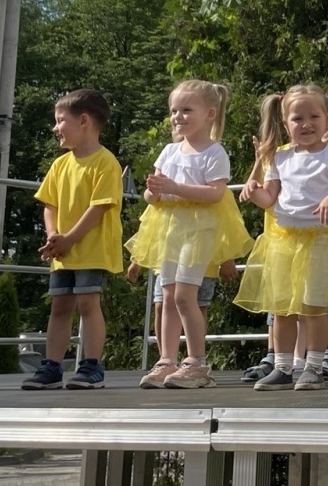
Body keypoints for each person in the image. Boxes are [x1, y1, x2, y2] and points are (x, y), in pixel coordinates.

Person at [236, 85, 328, 391]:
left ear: (327, 119)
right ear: (285, 122)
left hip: (319, 239)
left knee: (313, 306)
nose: (306, 124)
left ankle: (314, 366)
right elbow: (270, 198)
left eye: (313, 116)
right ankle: (282, 366)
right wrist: (254, 192)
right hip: (283, 239)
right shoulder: (279, 156)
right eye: (297, 118)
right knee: (282, 308)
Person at [126, 80, 254, 389]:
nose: (178, 117)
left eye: (186, 110)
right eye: (174, 111)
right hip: (170, 226)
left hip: (198, 228)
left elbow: (214, 194)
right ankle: (166, 359)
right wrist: (153, 193)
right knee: (167, 297)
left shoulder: (214, 152)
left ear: (210, 114)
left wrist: (173, 188)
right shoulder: (169, 151)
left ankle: (197, 362)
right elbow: (151, 193)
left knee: (185, 296)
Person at [23, 89, 124, 390]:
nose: (56, 128)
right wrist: (54, 235)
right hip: (64, 249)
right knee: (59, 306)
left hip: (91, 247)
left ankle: (91, 366)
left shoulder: (106, 162)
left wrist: (70, 238)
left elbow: (99, 207)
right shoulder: (60, 165)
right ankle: (52, 366)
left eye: (60, 121)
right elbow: (49, 203)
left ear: (83, 121)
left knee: (88, 303)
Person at [128, 258, 239, 384]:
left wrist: (226, 258)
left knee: (187, 299)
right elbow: (153, 237)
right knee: (167, 300)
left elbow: (221, 236)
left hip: (198, 249)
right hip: (169, 247)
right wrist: (137, 260)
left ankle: (196, 363)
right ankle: (168, 361)